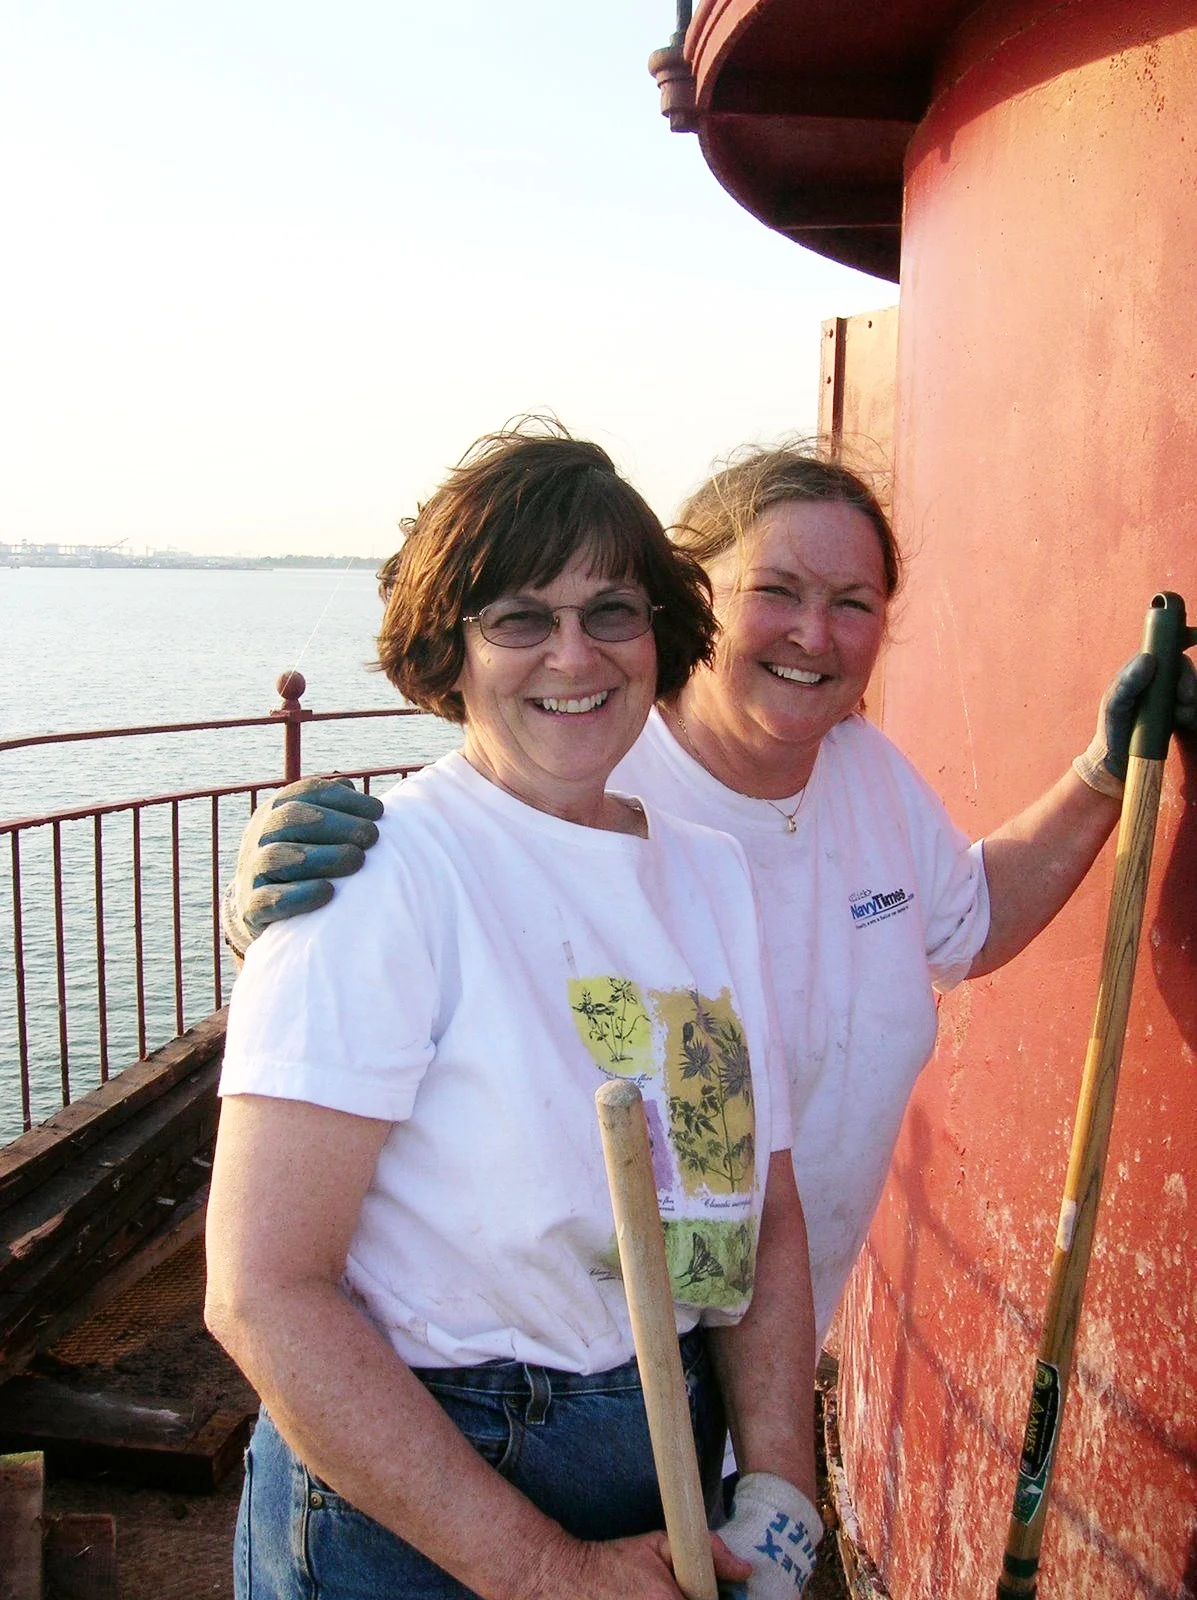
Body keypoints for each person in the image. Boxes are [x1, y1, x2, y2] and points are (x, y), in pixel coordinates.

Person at [222, 440, 1197, 1359]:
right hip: (562, 1379)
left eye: (853, 603)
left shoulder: (871, 776)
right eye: (775, 591)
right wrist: (271, 909)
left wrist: (1107, 772)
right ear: (689, 602)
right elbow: (447, 902)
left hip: (760, 1347)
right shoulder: (594, 768)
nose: (814, 634)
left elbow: (963, 919)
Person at [206, 424, 824, 1600]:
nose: (573, 653)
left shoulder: (709, 877)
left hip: (666, 1450)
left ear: (661, 633)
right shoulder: (380, 881)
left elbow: (768, 1210)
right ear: (450, 649)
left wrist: (781, 1484)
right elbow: (263, 1289)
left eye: (611, 610)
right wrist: (543, 1571)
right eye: (520, 618)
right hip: (416, 1494)